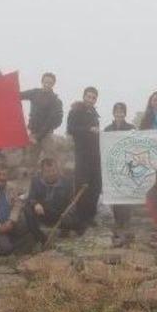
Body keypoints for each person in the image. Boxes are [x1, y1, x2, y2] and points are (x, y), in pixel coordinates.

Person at [24, 158, 86, 243]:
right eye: (47, 171)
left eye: (53, 170)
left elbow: (72, 201)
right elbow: (31, 197)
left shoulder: (66, 182)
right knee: (27, 209)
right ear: (42, 172)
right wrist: (36, 204)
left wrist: (69, 211)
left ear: (57, 170)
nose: (51, 174)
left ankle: (66, 230)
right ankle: (41, 239)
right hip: (43, 212)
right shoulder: (36, 181)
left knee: (79, 225)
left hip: (60, 214)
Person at [66, 86, 102, 226]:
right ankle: (80, 217)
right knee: (83, 185)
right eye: (89, 96)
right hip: (82, 154)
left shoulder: (94, 113)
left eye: (93, 97)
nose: (91, 100)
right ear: (84, 96)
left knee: (96, 186)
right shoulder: (75, 111)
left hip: (95, 154)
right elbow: (70, 129)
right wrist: (88, 129)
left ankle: (90, 216)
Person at [104, 102, 135, 232]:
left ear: (125, 113)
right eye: (117, 111)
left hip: (127, 164)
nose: (119, 113)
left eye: (121, 111)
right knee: (115, 191)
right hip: (113, 165)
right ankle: (118, 220)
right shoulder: (107, 129)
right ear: (113, 113)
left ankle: (126, 220)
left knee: (127, 192)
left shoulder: (131, 127)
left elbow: (135, 144)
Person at [20, 72, 64, 166]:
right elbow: (19, 95)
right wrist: (6, 88)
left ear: (53, 84)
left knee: (51, 160)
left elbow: (53, 121)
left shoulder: (55, 100)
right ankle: (31, 178)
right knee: (31, 161)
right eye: (46, 81)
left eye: (50, 82)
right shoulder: (34, 92)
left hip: (46, 134)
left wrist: (38, 136)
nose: (47, 84)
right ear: (42, 81)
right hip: (33, 132)